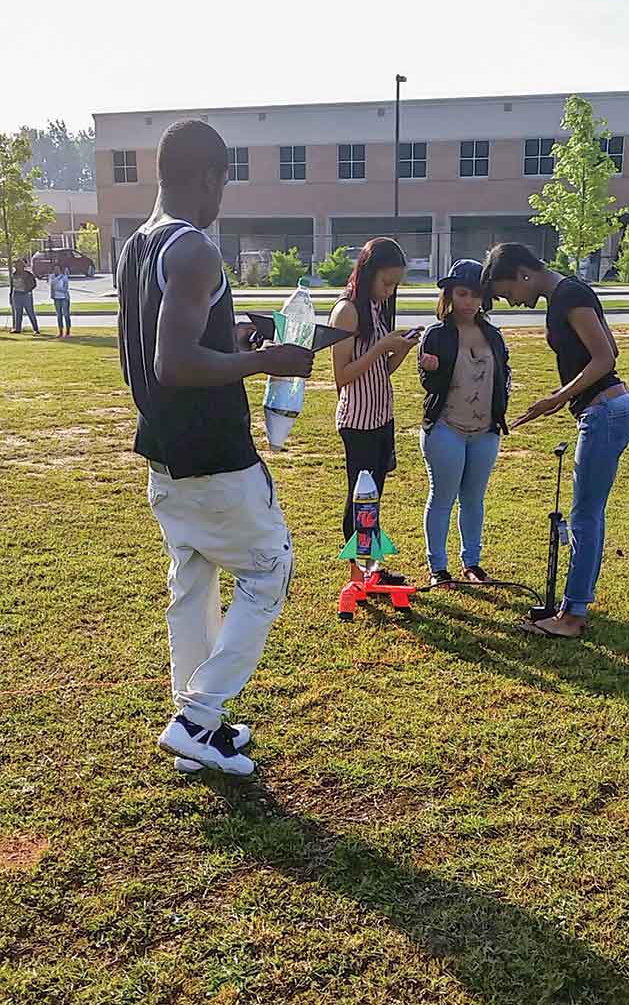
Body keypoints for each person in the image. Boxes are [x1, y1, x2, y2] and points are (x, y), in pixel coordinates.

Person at [116, 119, 315, 775]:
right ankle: (197, 716)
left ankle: (198, 731)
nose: (223, 193)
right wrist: (266, 362)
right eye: (224, 179)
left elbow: (161, 350)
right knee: (269, 568)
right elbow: (173, 361)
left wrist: (234, 336)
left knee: (193, 584)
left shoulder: (136, 245)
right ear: (209, 176)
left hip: (166, 455)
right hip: (212, 457)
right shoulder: (196, 249)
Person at [482, 243, 629, 638]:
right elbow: (609, 348)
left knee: (584, 517)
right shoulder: (570, 292)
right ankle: (577, 605)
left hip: (604, 411)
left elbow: (605, 358)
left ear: (523, 274)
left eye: (507, 293)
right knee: (591, 514)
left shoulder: (567, 295)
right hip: (609, 408)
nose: (512, 302)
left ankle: (571, 618)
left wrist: (558, 397)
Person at [328, 237, 420, 585]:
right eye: (386, 282)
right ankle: (361, 572)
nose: (390, 290)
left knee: (373, 496)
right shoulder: (347, 311)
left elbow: (380, 369)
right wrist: (382, 345)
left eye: (395, 284)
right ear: (368, 273)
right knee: (361, 497)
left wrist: (402, 349)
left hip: (382, 416)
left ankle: (370, 569)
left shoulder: (377, 308)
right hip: (358, 422)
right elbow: (343, 376)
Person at [417, 259, 510, 586]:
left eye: (476, 294)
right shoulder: (436, 335)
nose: (469, 301)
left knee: (474, 499)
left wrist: (500, 413)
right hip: (446, 429)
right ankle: (438, 568)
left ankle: (472, 562)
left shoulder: (493, 336)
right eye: (462, 293)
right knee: (443, 497)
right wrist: (429, 368)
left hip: (485, 432)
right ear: (449, 295)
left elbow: (504, 375)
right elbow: (430, 384)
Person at [10, 259, 39, 334]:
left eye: (19, 265)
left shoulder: (28, 274)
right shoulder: (13, 274)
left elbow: (34, 284)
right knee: (18, 312)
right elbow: (12, 286)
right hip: (16, 294)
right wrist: (11, 295)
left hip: (26, 295)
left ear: (22, 266)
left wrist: (28, 290)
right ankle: (17, 329)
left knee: (30, 312)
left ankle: (35, 329)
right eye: (16, 265)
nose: (17, 267)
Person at [49, 262, 71, 337]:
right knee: (59, 315)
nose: (56, 270)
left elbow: (65, 288)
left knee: (66, 314)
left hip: (64, 298)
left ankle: (67, 331)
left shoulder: (64, 277)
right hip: (56, 298)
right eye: (55, 269)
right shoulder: (51, 276)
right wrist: (52, 294)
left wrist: (58, 289)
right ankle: (60, 331)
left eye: (58, 269)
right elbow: (51, 285)